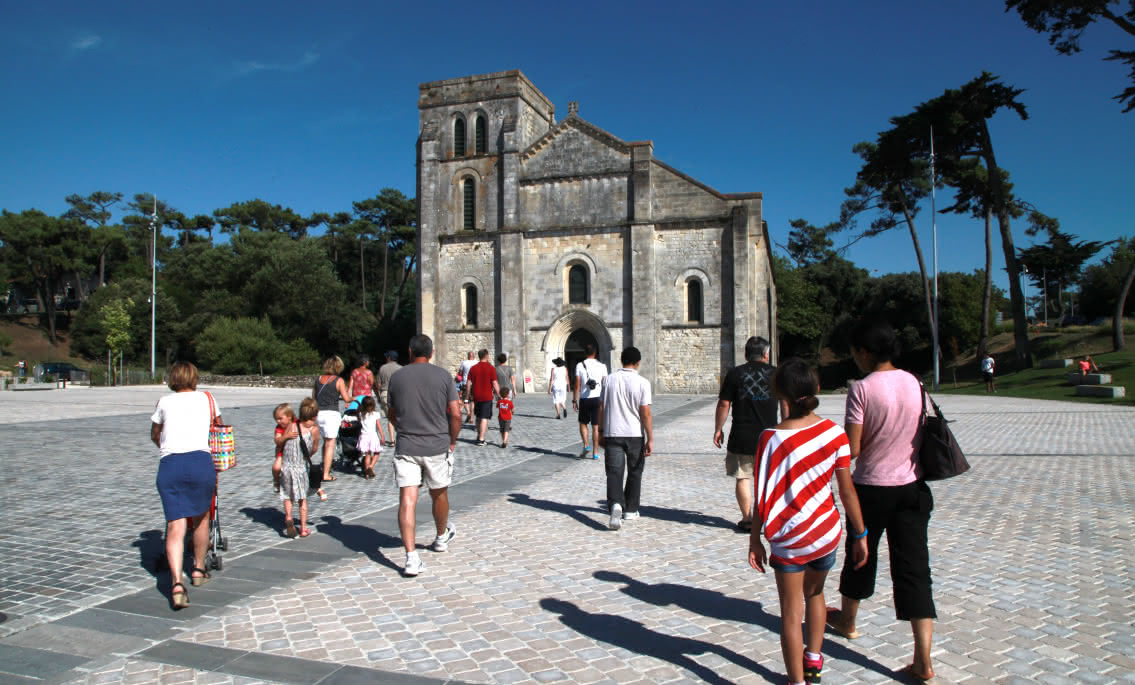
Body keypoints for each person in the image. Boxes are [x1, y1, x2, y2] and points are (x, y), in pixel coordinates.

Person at [828, 320, 937, 682]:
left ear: (865, 352)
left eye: (855, 352)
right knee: (914, 570)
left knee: (860, 555)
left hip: (871, 488)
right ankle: (923, 659)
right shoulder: (915, 382)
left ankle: (848, 621)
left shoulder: (861, 389)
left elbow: (853, 448)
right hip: (911, 487)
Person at [748, 358, 869, 685]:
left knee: (790, 613)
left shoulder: (769, 439)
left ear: (779, 394)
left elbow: (762, 494)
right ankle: (814, 659)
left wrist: (754, 539)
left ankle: (797, 681)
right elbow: (847, 491)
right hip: (824, 533)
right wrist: (860, 533)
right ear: (816, 389)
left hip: (788, 539)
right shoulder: (834, 433)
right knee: (816, 596)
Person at [387, 334, 462, 576]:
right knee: (439, 493)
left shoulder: (397, 377)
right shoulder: (443, 376)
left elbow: (392, 413)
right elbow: (455, 413)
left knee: (407, 500)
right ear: (431, 353)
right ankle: (441, 537)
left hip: (407, 445)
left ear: (410, 351)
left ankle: (411, 558)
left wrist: (402, 429)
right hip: (437, 445)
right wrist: (452, 439)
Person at [149, 361, 218, 610]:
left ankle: (177, 583)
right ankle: (198, 570)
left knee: (175, 525)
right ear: (194, 378)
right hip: (200, 461)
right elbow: (218, 425)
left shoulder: (164, 402)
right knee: (201, 518)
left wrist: (167, 446)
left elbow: (155, 434)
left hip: (171, 464)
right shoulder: (207, 399)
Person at [713, 336, 779, 532]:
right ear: (766, 354)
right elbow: (785, 403)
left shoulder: (735, 374)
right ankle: (766, 518)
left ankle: (748, 518)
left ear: (746, 354)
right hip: (770, 435)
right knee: (767, 479)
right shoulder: (776, 374)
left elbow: (724, 403)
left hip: (742, 434)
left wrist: (718, 428)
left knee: (743, 477)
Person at [596, 346, 653, 530]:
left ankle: (616, 505)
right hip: (635, 434)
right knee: (635, 472)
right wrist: (650, 437)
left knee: (614, 472)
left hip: (613, 432)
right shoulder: (643, 382)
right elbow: (645, 413)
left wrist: (600, 431)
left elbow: (602, 407)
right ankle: (631, 509)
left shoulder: (609, 380)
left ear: (621, 360)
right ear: (638, 362)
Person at [277, 398, 320, 538]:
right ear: (315, 415)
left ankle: (288, 517)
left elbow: (281, 442)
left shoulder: (292, 426)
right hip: (300, 467)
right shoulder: (314, 430)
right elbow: (313, 449)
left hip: (286, 467)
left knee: (288, 496)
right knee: (302, 499)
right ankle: (303, 528)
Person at [312, 356, 352, 501]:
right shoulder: (338, 380)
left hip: (319, 413)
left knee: (325, 442)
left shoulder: (318, 379)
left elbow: (314, 398)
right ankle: (326, 474)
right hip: (331, 414)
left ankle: (324, 466)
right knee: (330, 443)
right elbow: (346, 398)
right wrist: (355, 398)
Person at [573, 344, 608, 459]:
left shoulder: (579, 365)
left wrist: (574, 400)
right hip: (597, 399)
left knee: (583, 423)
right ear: (595, 353)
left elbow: (577, 385)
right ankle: (596, 452)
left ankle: (586, 445)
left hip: (584, 399)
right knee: (596, 426)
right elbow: (605, 384)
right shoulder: (602, 366)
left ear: (585, 353)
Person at [466, 348, 499, 446]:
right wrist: (499, 394)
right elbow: (495, 383)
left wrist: (467, 395)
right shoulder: (491, 368)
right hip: (487, 396)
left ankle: (478, 434)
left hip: (476, 395)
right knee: (484, 417)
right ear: (487, 356)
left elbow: (468, 383)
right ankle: (481, 439)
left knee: (478, 417)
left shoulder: (473, 368)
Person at [356, 395, 386, 478]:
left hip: (364, 436)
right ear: (373, 405)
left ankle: (366, 473)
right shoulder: (376, 414)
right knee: (377, 452)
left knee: (367, 455)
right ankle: (370, 467)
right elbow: (379, 426)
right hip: (373, 436)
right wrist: (382, 436)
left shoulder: (360, 414)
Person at [376, 350, 402, 446]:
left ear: (389, 358)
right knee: (400, 417)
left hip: (385, 393)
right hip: (398, 393)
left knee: (390, 418)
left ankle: (391, 440)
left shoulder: (382, 368)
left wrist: (379, 396)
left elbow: (378, 384)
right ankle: (400, 438)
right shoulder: (400, 368)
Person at [271, 403, 296, 493]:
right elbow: (277, 441)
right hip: (282, 451)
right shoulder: (279, 428)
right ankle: (276, 480)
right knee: (277, 467)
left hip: (295, 450)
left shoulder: (296, 423)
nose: (278, 421)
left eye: (280, 418)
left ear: (289, 417)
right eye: (276, 419)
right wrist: (286, 436)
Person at [457, 351, 477, 422]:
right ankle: (471, 417)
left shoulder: (464, 362)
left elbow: (460, 373)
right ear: (474, 356)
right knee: (472, 401)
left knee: (465, 400)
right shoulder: (476, 363)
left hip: (466, 383)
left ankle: (468, 412)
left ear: (468, 356)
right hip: (475, 384)